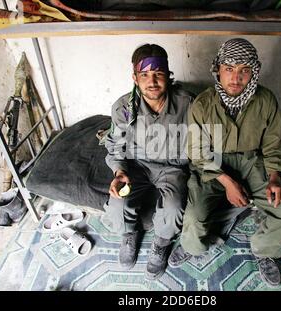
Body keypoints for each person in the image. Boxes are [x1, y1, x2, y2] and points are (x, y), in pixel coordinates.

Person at [167, 38, 281, 286]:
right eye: (229, 69)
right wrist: (227, 182)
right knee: (194, 217)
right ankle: (192, 247)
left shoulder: (266, 100)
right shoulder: (202, 104)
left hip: (252, 162)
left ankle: (265, 251)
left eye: (244, 71)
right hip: (213, 166)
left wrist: (275, 177)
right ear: (218, 69)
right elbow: (197, 152)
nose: (236, 78)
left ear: (253, 72)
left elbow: (273, 144)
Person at [104, 44, 194, 280]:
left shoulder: (188, 104)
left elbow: (203, 143)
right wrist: (119, 171)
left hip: (172, 168)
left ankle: (161, 244)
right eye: (144, 75)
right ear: (135, 78)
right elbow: (115, 145)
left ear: (168, 75)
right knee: (117, 204)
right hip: (137, 167)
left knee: (174, 207)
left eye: (158, 74)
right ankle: (128, 235)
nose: (152, 82)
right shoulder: (124, 108)